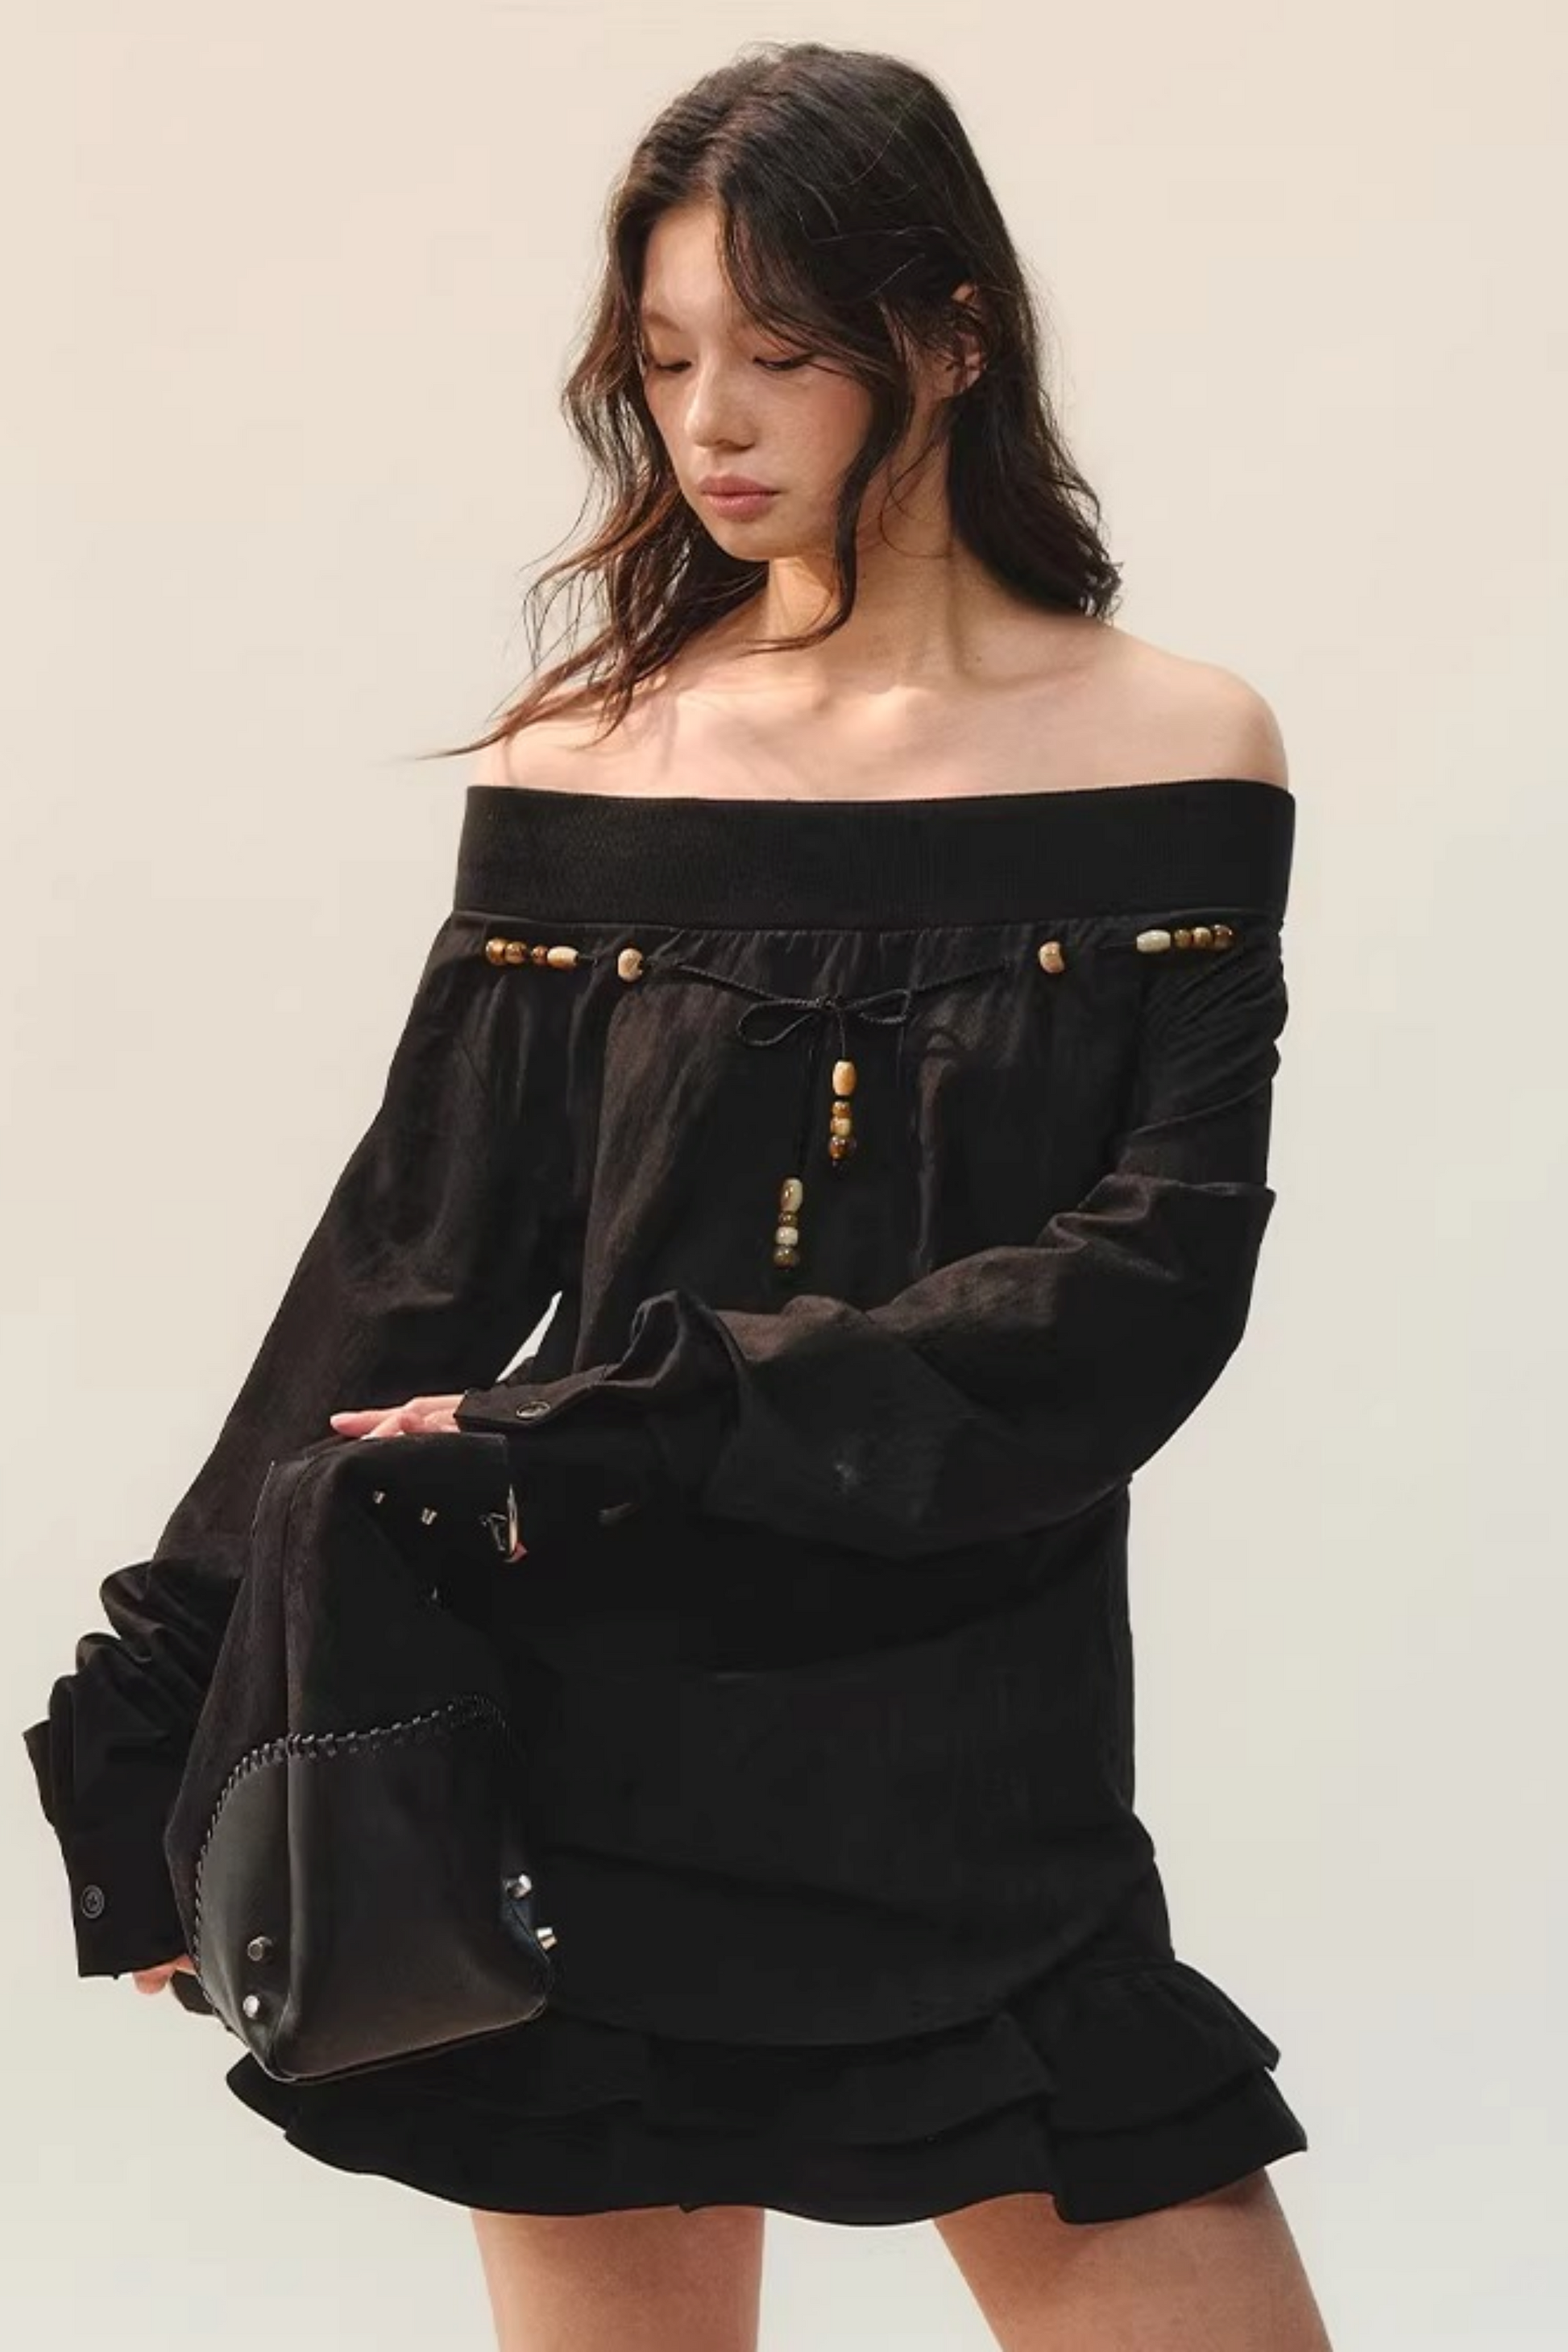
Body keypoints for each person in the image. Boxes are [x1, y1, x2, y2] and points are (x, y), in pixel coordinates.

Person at [23, 39, 1337, 2352]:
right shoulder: (593, 765)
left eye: (781, 351)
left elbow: (1151, 1286)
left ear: (950, 337)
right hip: (580, 1749)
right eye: (662, 358)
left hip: (971, 1750)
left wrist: (651, 1414)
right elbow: (411, 1269)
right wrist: (165, 1687)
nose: (710, 423)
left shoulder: (1176, 751)